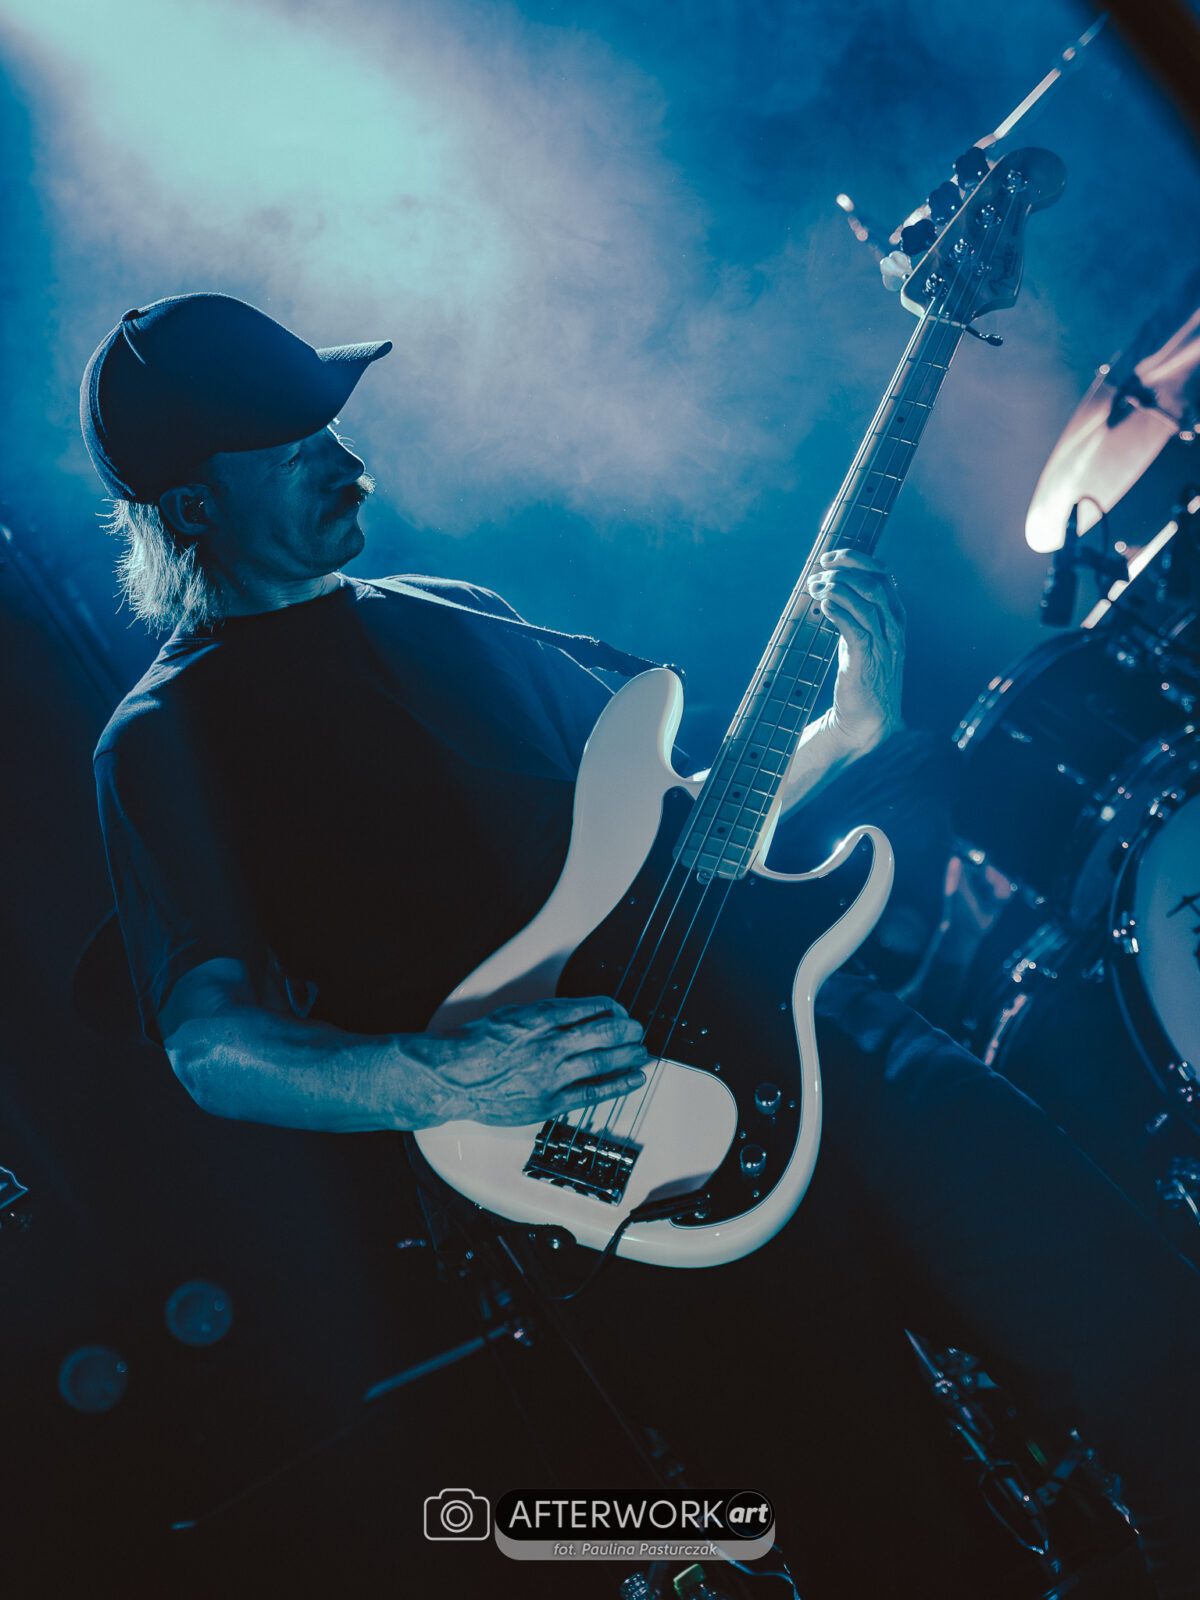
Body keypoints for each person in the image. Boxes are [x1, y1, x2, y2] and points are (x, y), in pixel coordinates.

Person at [84, 295, 1200, 1597]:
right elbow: (211, 1043)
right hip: (620, 1174)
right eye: (292, 444)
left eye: (333, 424)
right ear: (192, 505)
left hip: (815, 1035)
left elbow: (677, 834)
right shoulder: (166, 739)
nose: (346, 457)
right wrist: (441, 1077)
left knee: (1152, 1345)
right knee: (906, 1547)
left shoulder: (454, 613)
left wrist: (839, 734)